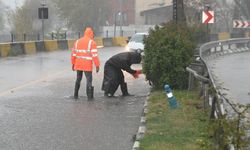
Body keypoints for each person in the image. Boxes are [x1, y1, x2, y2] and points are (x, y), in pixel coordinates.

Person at [71, 27, 100, 100]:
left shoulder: (77, 41)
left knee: (78, 79)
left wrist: (73, 63)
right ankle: (89, 97)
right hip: (87, 65)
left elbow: (73, 54)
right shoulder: (92, 42)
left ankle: (75, 95)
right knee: (89, 80)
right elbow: (94, 55)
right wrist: (97, 65)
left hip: (78, 64)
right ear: (91, 34)